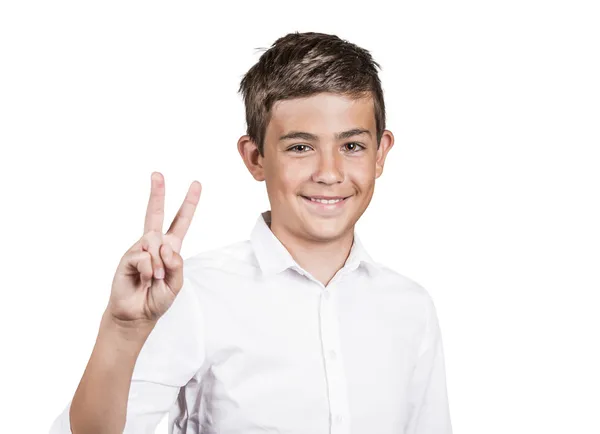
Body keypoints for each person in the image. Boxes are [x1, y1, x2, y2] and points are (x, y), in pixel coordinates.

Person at [50, 31, 452, 434]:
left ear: (380, 153)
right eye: (300, 147)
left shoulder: (411, 309)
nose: (329, 173)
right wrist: (122, 332)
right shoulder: (191, 294)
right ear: (255, 158)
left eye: (351, 146)